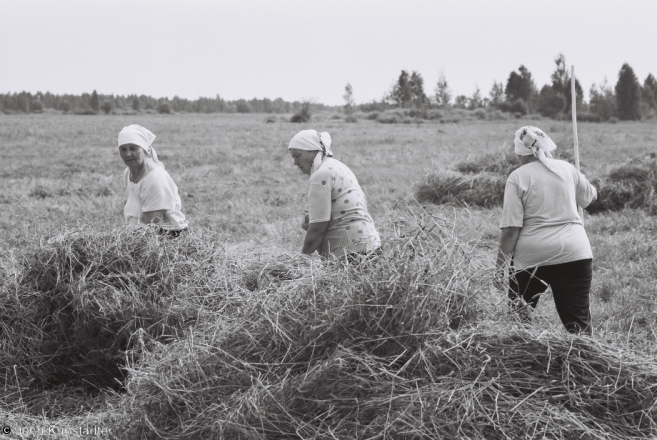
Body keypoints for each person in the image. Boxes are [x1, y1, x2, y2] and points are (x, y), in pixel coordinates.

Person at [495, 126, 597, 334]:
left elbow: (511, 230)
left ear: (519, 153)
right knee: (579, 326)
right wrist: (576, 177)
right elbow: (590, 197)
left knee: (518, 324)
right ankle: (586, 362)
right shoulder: (566, 169)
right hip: (575, 253)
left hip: (532, 257)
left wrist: (498, 268)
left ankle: (521, 363)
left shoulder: (517, 177)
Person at [288, 129, 381, 260]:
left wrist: (299, 261)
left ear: (313, 150)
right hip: (371, 245)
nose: (295, 163)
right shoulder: (339, 167)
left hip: (350, 253)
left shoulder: (321, 175)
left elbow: (317, 229)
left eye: (298, 156)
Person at [118, 124, 188, 236]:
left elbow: (152, 225)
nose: (128, 154)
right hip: (137, 235)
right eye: (123, 149)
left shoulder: (155, 178)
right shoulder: (128, 173)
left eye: (133, 148)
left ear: (146, 150)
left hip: (166, 236)